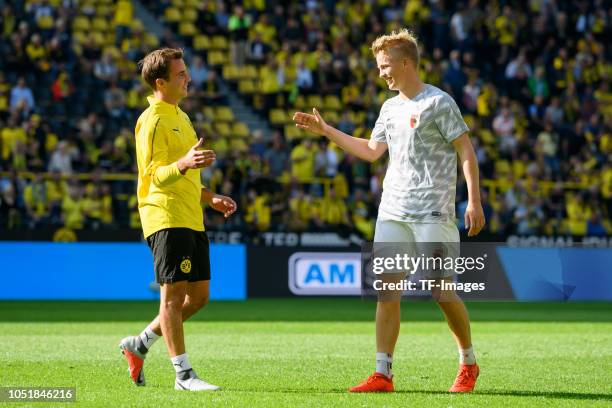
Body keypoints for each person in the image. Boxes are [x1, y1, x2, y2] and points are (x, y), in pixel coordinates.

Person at [293, 29, 485, 393]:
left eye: (385, 66)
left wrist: (473, 200)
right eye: (379, 67)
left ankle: (468, 362)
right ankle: (383, 373)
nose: (381, 73)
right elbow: (370, 151)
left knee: (440, 290)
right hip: (393, 210)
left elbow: (466, 151)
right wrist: (326, 130)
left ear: (406, 62)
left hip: (433, 212)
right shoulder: (389, 107)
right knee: (386, 291)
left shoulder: (438, 102)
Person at [119, 48, 237, 392]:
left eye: (186, 72)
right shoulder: (152, 119)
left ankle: (139, 344)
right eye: (181, 74)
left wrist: (209, 196)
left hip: (191, 216)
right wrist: (185, 163)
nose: (188, 78)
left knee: (199, 297)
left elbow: (184, 173)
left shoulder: (181, 116)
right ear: (161, 82)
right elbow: (153, 176)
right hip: (165, 216)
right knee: (171, 298)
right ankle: (183, 375)